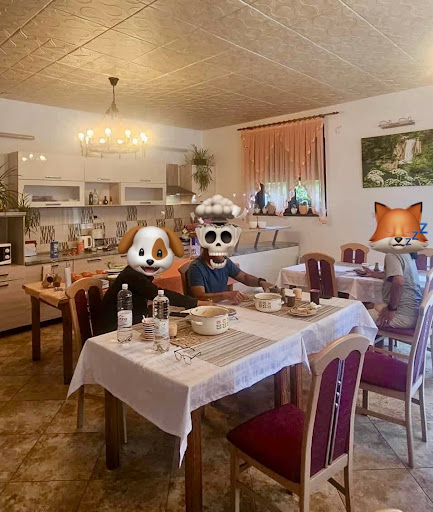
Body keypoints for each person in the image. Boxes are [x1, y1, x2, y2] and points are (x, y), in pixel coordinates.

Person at [97, 266, 208, 334]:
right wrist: (196, 302)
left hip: (130, 324)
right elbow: (156, 294)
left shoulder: (136, 271)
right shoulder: (132, 274)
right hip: (114, 329)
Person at [187, 248, 274, 304]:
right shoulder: (196, 267)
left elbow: (244, 277)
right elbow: (199, 296)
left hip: (222, 305)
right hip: (206, 310)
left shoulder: (224, 261)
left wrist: (261, 282)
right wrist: (225, 295)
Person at [363, 253, 422, 328]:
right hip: (414, 312)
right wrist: (373, 274)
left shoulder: (392, 255)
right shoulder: (407, 254)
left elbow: (399, 282)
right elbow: (394, 275)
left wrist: (391, 309)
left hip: (402, 316)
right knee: (370, 305)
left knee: (356, 316)